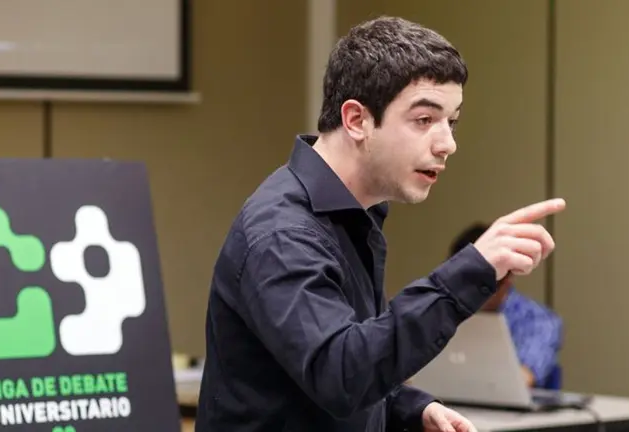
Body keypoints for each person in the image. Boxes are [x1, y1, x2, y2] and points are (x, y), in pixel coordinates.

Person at [196, 15, 566, 432]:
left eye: (452, 121)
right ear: (356, 120)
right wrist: (471, 270)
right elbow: (339, 374)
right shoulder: (284, 234)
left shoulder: (353, 215)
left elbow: (345, 357)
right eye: (424, 120)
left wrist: (409, 407)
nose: (448, 143)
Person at [450, 223, 564, 389]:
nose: (473, 293)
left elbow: (523, 380)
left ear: (508, 277)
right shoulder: (446, 309)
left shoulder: (539, 320)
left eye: (484, 283)